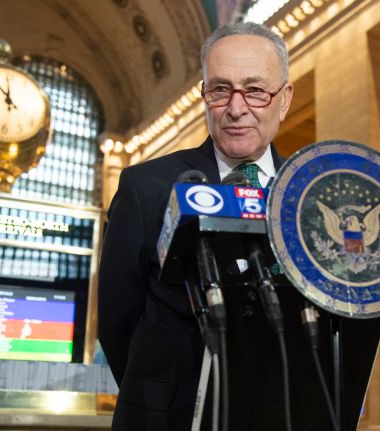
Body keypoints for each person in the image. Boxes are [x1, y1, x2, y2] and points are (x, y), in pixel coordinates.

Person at [99, 21, 310, 430]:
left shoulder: (309, 197)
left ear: (283, 101)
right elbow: (117, 321)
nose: (236, 107)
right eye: (220, 90)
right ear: (204, 97)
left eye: (255, 90)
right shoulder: (146, 188)